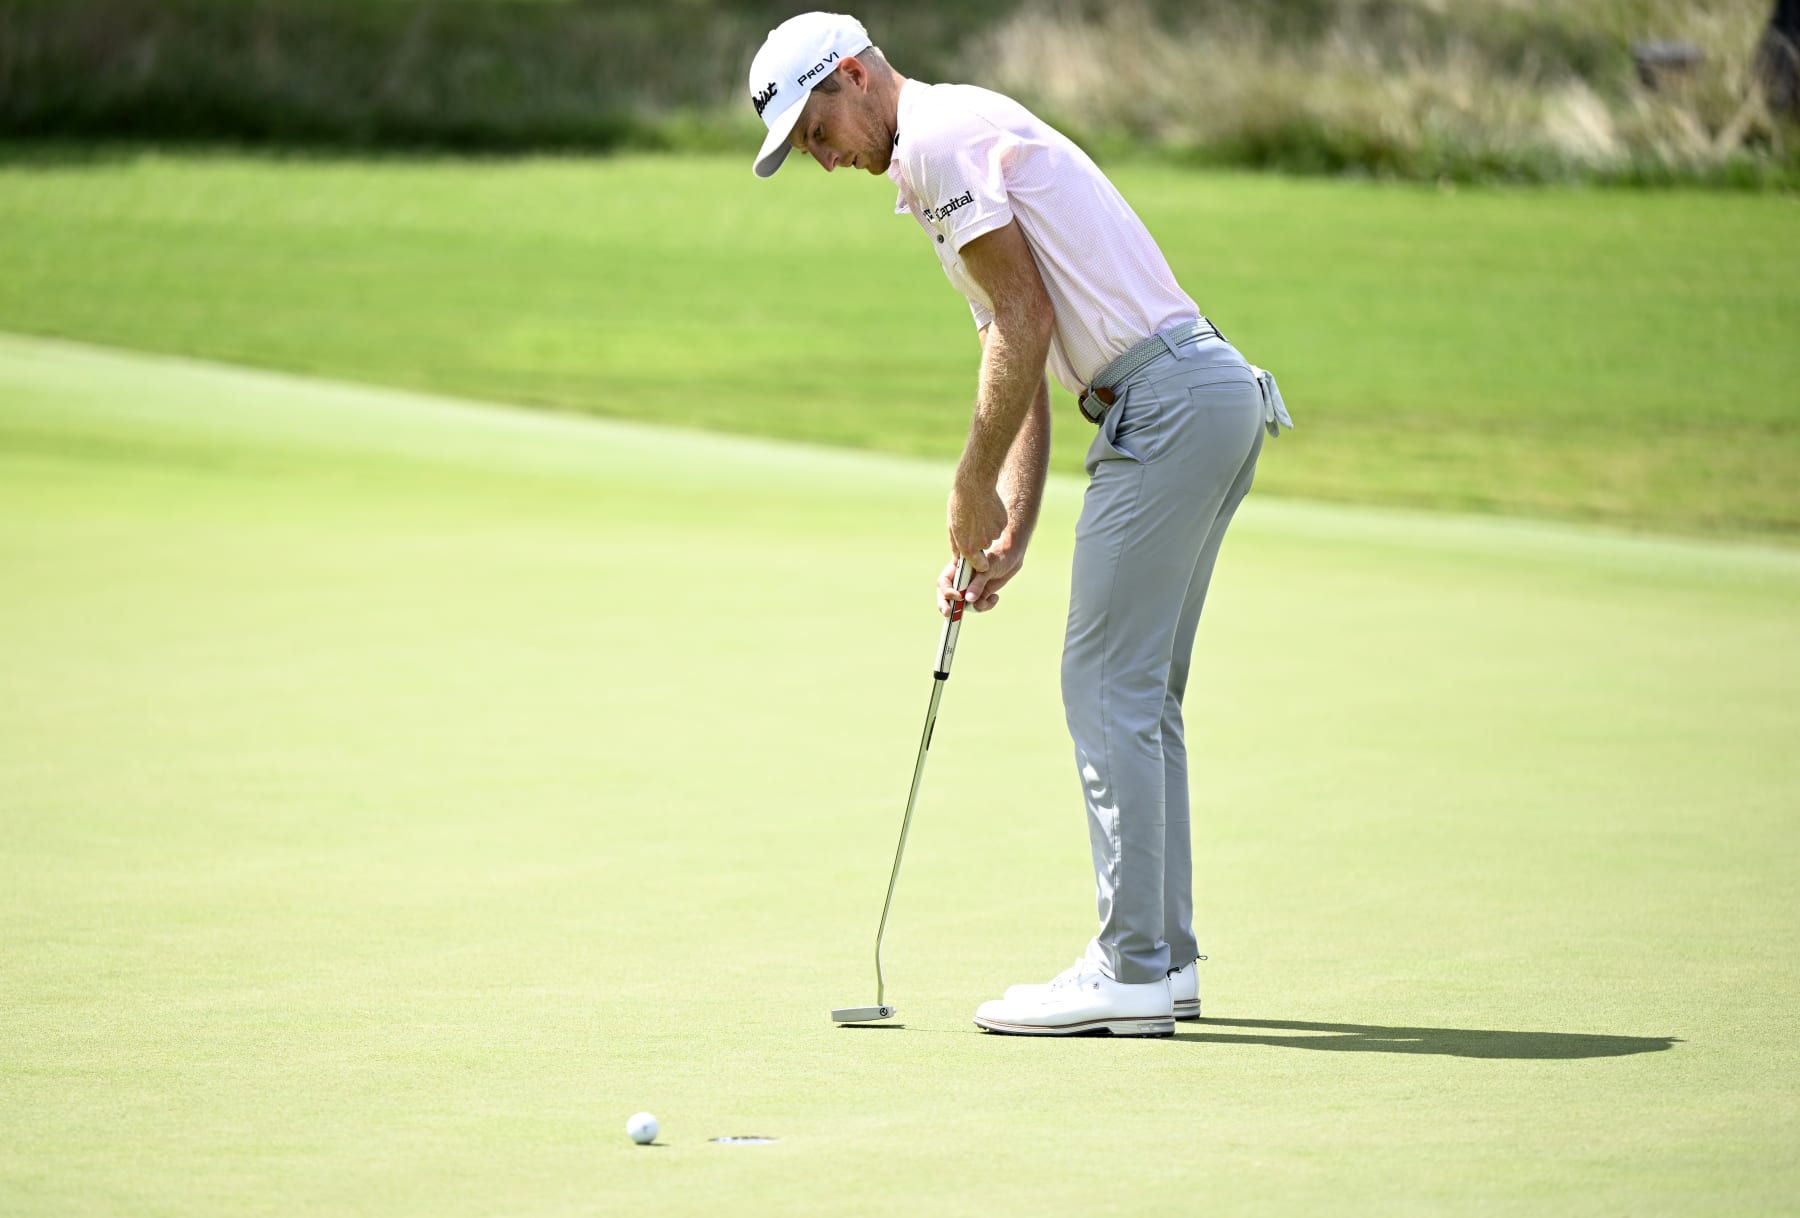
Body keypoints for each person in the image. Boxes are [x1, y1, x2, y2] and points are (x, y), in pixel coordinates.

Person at [748, 12, 1291, 1037]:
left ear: (855, 78)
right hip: (1199, 396)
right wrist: (1015, 528)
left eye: (816, 132)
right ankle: (1163, 962)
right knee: (1142, 693)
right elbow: (1022, 342)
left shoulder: (942, 141)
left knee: (1105, 685)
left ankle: (1129, 967)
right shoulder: (931, 162)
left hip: (1169, 401)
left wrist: (967, 485)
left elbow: (1026, 325)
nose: (821, 162)